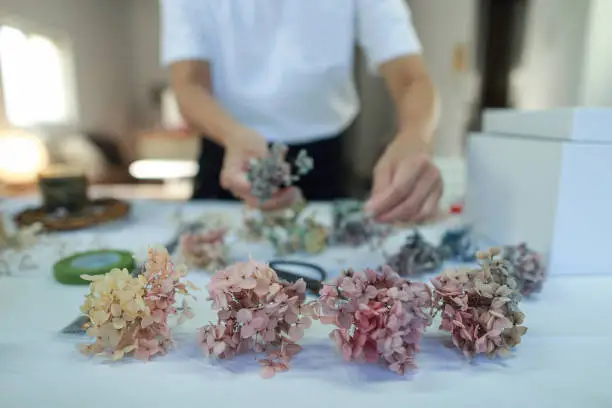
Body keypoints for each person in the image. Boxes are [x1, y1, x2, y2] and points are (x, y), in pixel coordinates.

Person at [161, 0, 442, 224]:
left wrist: (415, 138)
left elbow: (411, 78)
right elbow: (188, 85)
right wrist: (233, 135)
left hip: (324, 162)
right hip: (228, 156)